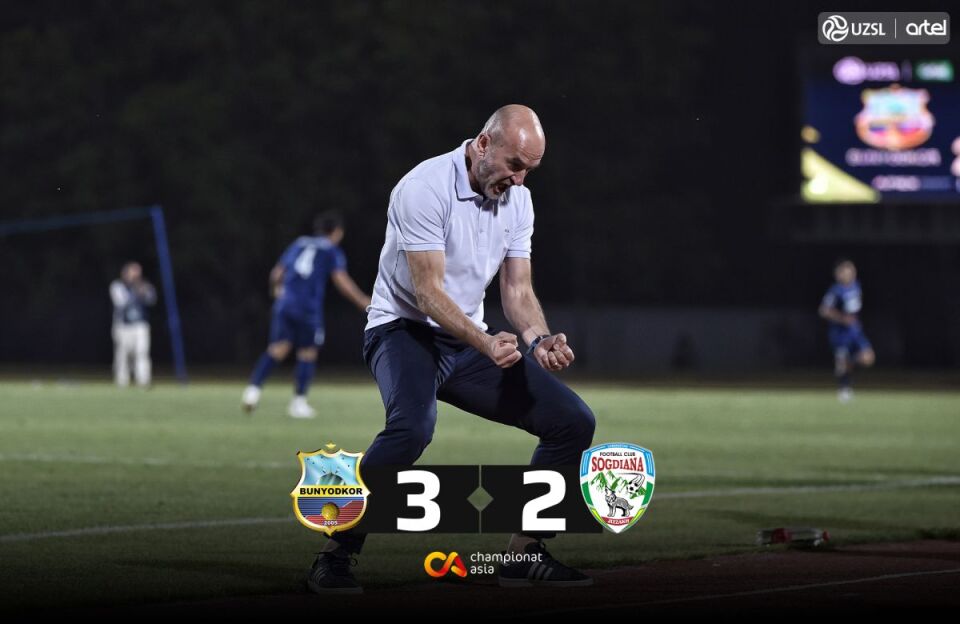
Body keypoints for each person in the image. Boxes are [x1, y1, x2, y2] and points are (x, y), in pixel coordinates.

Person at [307, 105, 596, 593]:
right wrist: (485, 342)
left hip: (467, 341)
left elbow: (518, 290)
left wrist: (539, 339)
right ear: (483, 144)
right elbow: (428, 294)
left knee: (572, 421)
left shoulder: (519, 201)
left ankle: (523, 554)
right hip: (402, 331)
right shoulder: (424, 187)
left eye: (529, 170)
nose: (520, 180)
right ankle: (333, 555)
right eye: (514, 165)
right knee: (411, 429)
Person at [242, 212, 370, 418]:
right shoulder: (331, 250)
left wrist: (276, 292)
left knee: (278, 348)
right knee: (307, 352)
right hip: (308, 307)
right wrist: (362, 301)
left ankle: (252, 391)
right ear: (337, 232)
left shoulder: (300, 243)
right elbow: (341, 280)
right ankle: (298, 403)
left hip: (285, 304)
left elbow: (276, 273)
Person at [818, 258, 875, 402]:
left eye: (852, 270)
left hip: (855, 331)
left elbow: (855, 308)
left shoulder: (856, 286)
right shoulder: (835, 291)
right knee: (842, 363)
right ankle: (844, 389)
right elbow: (824, 310)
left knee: (868, 358)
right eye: (847, 271)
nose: (851, 273)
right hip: (840, 334)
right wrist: (842, 318)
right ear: (840, 274)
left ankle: (848, 363)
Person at [110, 261, 156, 387]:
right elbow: (121, 302)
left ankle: (143, 380)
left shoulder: (144, 285)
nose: (135, 276)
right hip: (123, 326)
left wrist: (142, 290)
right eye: (133, 272)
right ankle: (122, 380)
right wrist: (136, 292)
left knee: (142, 352)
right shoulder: (117, 286)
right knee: (123, 354)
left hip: (140, 325)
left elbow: (152, 299)